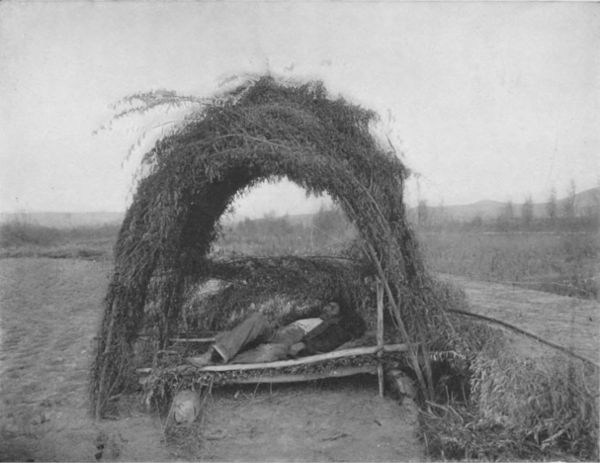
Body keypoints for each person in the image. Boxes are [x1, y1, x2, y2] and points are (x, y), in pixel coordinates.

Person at [186, 301, 364, 367]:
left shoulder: (332, 326)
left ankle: (213, 356)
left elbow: (329, 342)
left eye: (332, 307)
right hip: (277, 332)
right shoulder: (311, 316)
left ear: (338, 315)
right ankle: (215, 354)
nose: (326, 307)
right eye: (327, 304)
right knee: (257, 319)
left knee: (266, 352)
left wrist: (305, 345)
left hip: (287, 341)